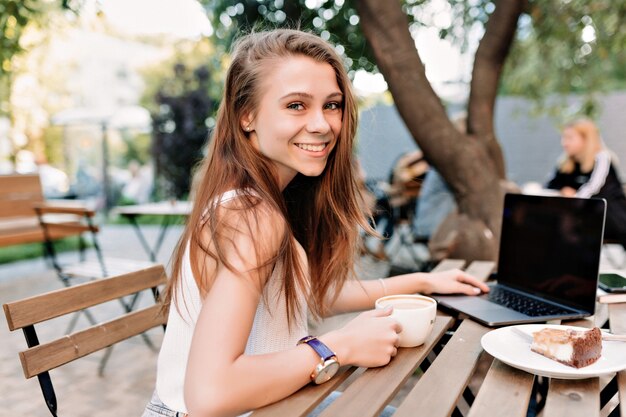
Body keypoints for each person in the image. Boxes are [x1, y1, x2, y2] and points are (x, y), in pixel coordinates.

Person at [142, 29, 489, 417]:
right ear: (247, 116)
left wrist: (423, 282)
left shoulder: (262, 200)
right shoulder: (252, 216)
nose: (322, 124)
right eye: (296, 105)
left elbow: (305, 297)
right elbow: (211, 394)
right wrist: (338, 347)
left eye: (332, 105)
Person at [546, 118, 626, 247]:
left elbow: (593, 188)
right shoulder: (566, 162)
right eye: (563, 138)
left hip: (610, 217)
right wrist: (563, 191)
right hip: (580, 216)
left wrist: (573, 198)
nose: (564, 143)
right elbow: (550, 186)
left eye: (569, 138)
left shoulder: (602, 158)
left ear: (586, 139)